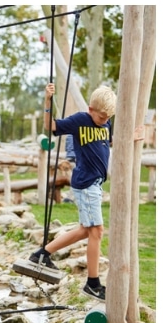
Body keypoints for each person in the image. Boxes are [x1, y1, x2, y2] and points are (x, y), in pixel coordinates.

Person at [28, 82, 126, 301]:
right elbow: (51, 127)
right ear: (91, 110)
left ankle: (42, 254)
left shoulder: (106, 125)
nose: (105, 121)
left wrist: (133, 136)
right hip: (86, 183)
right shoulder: (80, 120)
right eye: (102, 117)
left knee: (85, 230)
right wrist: (47, 101)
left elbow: (109, 144)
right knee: (97, 231)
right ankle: (92, 283)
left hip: (96, 184)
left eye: (109, 118)